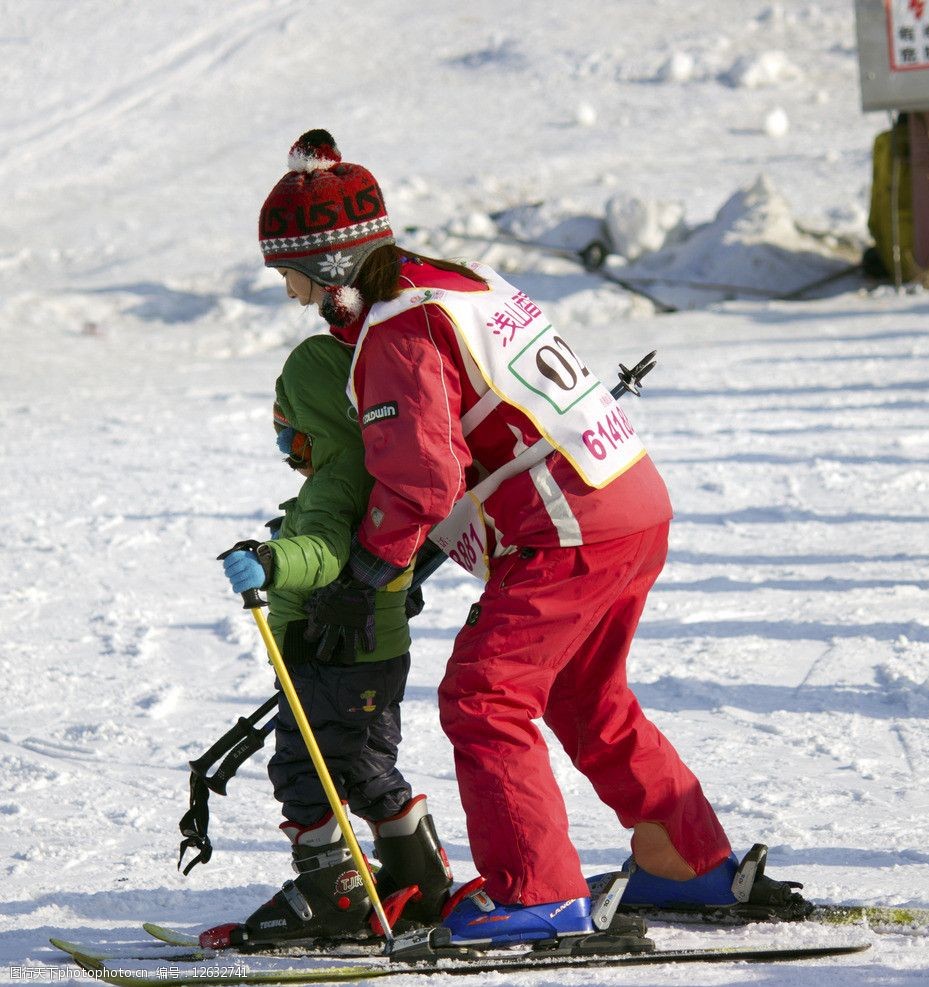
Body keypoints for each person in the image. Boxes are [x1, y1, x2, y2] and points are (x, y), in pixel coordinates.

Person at [254, 129, 810, 948]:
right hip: (627, 496)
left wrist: (366, 572)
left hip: (568, 526)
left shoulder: (397, 330)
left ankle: (534, 895)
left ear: (332, 268)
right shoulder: (450, 281)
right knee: (586, 694)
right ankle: (683, 859)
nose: (294, 294)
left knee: (483, 697)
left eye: (293, 275)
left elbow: (420, 479)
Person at [210, 331, 453, 949]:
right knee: (368, 766)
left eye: (288, 432)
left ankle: (334, 898)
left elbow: (321, 551)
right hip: (376, 657)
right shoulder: (379, 472)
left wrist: (270, 560)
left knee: (303, 770)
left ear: (315, 420)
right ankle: (419, 879)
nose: (288, 450)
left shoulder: (334, 483)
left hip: (331, 657)